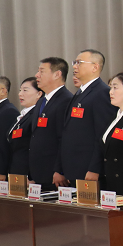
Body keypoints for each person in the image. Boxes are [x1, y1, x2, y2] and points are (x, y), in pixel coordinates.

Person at [55, 49, 115, 188]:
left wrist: (95, 168)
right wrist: (59, 168)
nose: (75, 66)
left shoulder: (102, 93)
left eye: (79, 63)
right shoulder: (80, 93)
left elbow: (102, 135)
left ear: (95, 67)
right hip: (72, 167)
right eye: (74, 63)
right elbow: (67, 132)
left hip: (88, 170)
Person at [29, 57, 72, 187]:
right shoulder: (42, 101)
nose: (37, 75)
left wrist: (59, 169)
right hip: (38, 170)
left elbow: (64, 139)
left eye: (42, 71)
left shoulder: (66, 100)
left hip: (54, 173)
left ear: (57, 74)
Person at [6, 77, 42, 178]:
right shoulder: (23, 115)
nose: (20, 94)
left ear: (39, 94)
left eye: (25, 90)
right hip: (16, 169)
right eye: (20, 90)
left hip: (29, 172)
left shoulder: (37, 115)